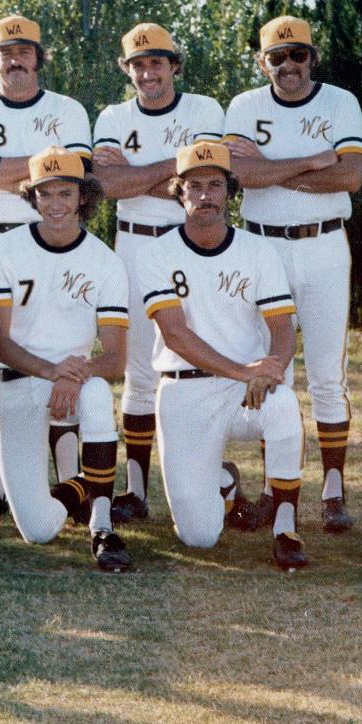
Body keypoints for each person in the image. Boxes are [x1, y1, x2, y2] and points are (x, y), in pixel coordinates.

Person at [136, 142, 308, 571]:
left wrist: (271, 370)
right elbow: (175, 335)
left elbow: (283, 327)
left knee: (284, 404)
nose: (205, 195)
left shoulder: (257, 249)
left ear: (230, 191)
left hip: (245, 391)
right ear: (179, 193)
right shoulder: (157, 253)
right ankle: (224, 482)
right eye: (194, 186)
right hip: (184, 389)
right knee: (199, 537)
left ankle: (285, 527)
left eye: (215, 185)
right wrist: (243, 369)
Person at [225, 15, 362, 532]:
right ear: (263, 61)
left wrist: (274, 167)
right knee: (270, 370)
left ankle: (332, 492)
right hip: (263, 247)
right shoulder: (244, 105)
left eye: (298, 55)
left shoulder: (340, 102)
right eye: (277, 57)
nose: (289, 66)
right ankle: (273, 489)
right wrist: (310, 162)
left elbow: (349, 176)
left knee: (328, 374)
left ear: (313, 56)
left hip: (325, 243)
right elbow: (240, 175)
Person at [0, 15, 92, 516]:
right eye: (5, 52)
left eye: (24, 50)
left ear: (39, 56)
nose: (15, 59)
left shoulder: (67, 109)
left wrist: (7, 169)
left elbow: (79, 172)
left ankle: (73, 480)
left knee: (59, 350)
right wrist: (42, 165)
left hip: (50, 241)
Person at [91, 22, 225, 524]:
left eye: (157, 63)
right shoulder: (111, 114)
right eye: (138, 65)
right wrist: (174, 167)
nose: (148, 73)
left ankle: (207, 475)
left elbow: (206, 185)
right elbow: (104, 185)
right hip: (134, 245)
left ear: (174, 65)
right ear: (128, 70)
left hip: (191, 245)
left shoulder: (205, 110)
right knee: (140, 370)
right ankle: (137, 489)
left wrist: (137, 173)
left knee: (202, 357)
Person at [0, 149, 132, 572]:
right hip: (13, 380)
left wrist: (75, 373)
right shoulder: (4, 250)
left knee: (99, 393)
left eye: (65, 193)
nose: (55, 204)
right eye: (44, 194)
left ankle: (102, 524)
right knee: (39, 529)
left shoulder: (104, 260)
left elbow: (116, 358)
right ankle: (82, 486)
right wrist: (53, 372)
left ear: (83, 197)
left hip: (75, 382)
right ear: (32, 197)